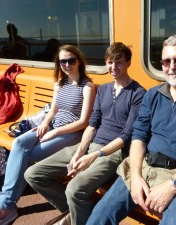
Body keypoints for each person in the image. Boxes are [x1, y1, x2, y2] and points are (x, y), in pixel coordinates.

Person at [86, 34, 176, 225]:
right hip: (144, 166)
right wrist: (135, 177)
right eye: (166, 61)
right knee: (98, 218)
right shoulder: (153, 94)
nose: (172, 67)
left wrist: (172, 185)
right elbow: (138, 137)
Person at [25, 42, 146, 225]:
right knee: (33, 174)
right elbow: (92, 124)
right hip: (90, 144)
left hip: (113, 152)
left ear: (128, 63)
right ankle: (74, 214)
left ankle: (77, 216)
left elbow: (127, 136)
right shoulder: (104, 89)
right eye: (110, 62)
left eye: (119, 62)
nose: (113, 67)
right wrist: (81, 152)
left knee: (74, 189)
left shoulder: (138, 93)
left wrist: (94, 156)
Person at [0, 44, 96, 225]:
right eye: (63, 62)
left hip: (70, 133)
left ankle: (7, 206)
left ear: (78, 61)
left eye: (71, 60)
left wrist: (54, 133)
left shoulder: (87, 86)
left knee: (28, 155)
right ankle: (5, 205)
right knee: (19, 143)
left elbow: (83, 122)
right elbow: (53, 110)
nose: (67, 65)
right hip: (52, 127)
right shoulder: (60, 84)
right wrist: (45, 124)